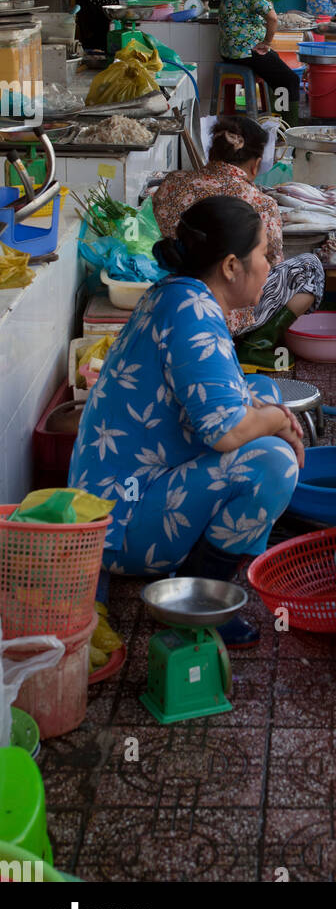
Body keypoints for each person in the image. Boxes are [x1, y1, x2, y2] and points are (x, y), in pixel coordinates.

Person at [69, 195, 306, 646]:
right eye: (263, 255)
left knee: (266, 392)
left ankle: (200, 568)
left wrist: (270, 410)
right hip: (121, 520)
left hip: (122, 491)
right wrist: (276, 420)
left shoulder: (178, 294)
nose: (270, 267)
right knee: (273, 463)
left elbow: (226, 400)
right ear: (232, 265)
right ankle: (198, 599)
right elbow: (224, 432)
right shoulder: (192, 313)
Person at [152, 115, 324, 360]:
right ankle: (255, 344)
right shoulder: (261, 203)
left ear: (211, 154)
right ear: (255, 165)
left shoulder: (172, 184)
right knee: (310, 266)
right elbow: (271, 263)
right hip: (231, 306)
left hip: (180, 291)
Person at [218, 0, 300, 126]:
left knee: (276, 65)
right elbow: (272, 18)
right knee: (290, 80)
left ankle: (276, 116)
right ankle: (287, 128)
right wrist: (267, 42)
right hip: (247, 53)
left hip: (229, 52)